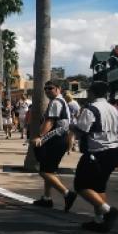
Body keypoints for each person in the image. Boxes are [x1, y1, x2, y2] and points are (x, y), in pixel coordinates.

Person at [70, 82, 118, 233]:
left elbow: (82, 130)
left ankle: (108, 211)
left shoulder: (91, 109)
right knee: (99, 186)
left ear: (92, 92)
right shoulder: (114, 109)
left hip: (96, 151)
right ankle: (99, 221)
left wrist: (71, 126)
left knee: (81, 185)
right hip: (113, 150)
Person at [31, 80, 78, 210]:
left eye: (50, 88)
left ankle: (67, 194)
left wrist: (39, 136)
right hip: (59, 139)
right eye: (45, 89)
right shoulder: (60, 101)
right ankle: (47, 198)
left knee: (44, 172)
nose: (47, 91)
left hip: (55, 140)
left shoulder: (56, 102)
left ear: (58, 89)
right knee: (49, 170)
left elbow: (50, 121)